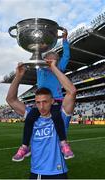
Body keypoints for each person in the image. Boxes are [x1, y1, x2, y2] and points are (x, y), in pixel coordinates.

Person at [11, 28, 75, 162]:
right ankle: (24, 146)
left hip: (56, 100)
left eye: (54, 59)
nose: (50, 61)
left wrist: (64, 40)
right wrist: (40, 45)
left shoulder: (58, 69)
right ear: (44, 59)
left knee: (57, 117)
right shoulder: (40, 68)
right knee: (29, 120)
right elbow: (36, 55)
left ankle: (63, 143)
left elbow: (67, 55)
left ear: (57, 62)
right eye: (48, 59)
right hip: (40, 101)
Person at [6, 60, 77, 179]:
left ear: (53, 101)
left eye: (45, 102)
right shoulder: (31, 116)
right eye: (38, 103)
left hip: (59, 172)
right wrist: (18, 76)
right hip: (38, 173)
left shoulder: (61, 116)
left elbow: (72, 91)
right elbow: (11, 100)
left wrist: (53, 68)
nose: (41, 106)